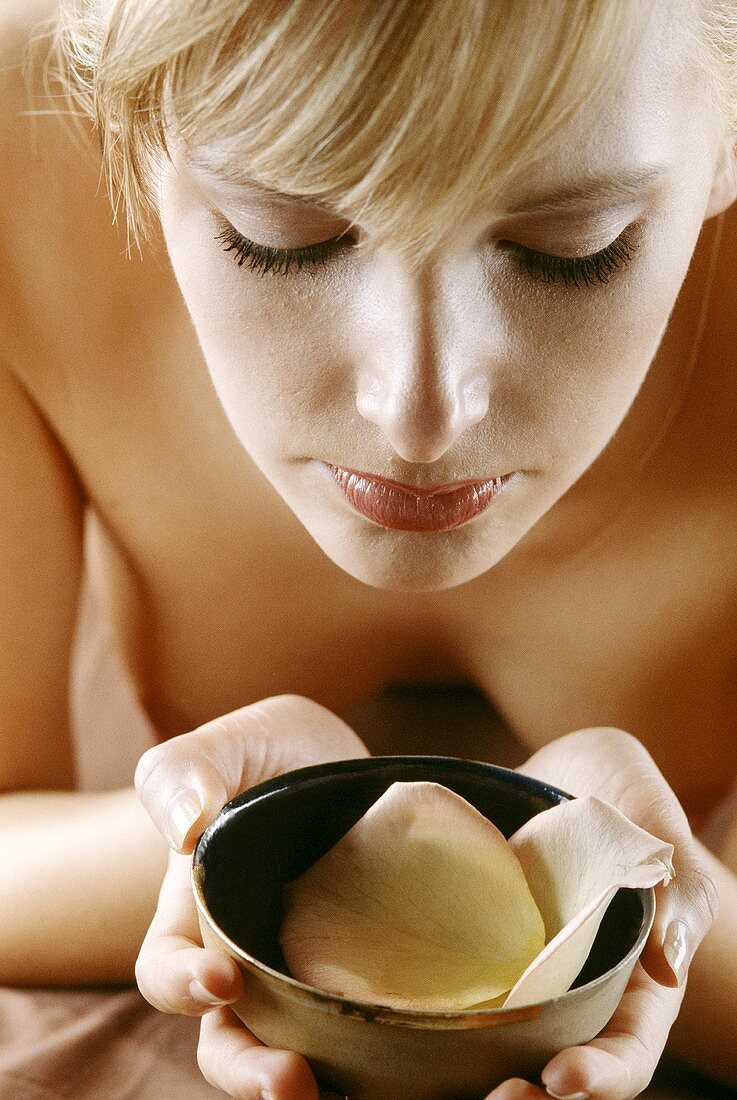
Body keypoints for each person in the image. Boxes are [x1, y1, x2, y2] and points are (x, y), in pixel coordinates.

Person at [0, 0, 735, 1096]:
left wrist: (647, 899)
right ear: (132, 132)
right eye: (278, 232)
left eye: (565, 249)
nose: (420, 414)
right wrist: (276, 825)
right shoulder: (22, 135)